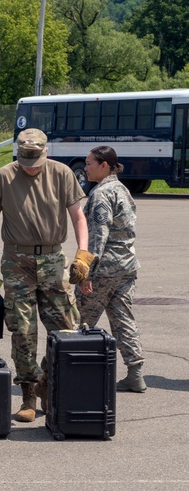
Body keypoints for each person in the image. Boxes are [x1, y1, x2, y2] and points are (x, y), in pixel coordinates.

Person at [0, 128, 96, 423]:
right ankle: (28, 394)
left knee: (67, 329)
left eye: (35, 161)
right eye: (25, 161)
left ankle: (46, 383)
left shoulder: (62, 174)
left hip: (53, 260)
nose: (30, 167)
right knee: (22, 331)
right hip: (17, 262)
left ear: (46, 152)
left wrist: (83, 254)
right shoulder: (4, 176)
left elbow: (78, 217)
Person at [77, 146, 146, 392]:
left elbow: (99, 236)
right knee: (122, 318)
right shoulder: (122, 189)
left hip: (104, 269)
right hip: (126, 265)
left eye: (89, 163)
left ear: (104, 165)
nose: (85, 168)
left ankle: (62, 370)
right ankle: (135, 372)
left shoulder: (101, 194)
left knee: (78, 319)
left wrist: (87, 272)